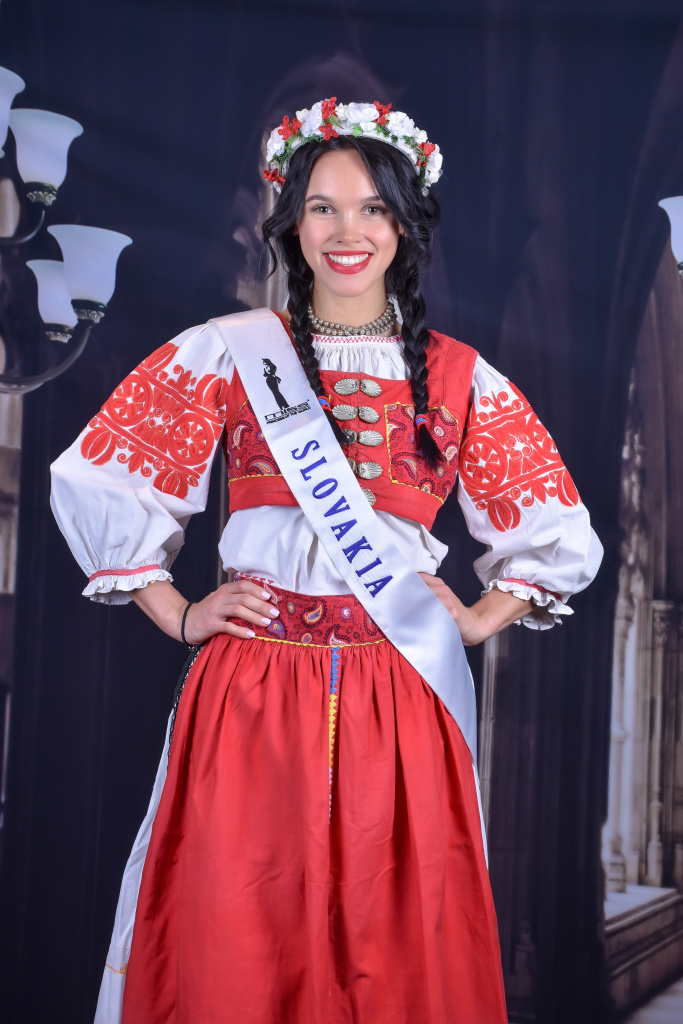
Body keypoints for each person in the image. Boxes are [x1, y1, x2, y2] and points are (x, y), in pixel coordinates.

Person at [51, 98, 602, 1024]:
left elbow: (555, 528)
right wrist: (179, 612)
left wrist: (477, 619)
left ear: (403, 224)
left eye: (371, 208)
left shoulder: (460, 376)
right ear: (292, 223)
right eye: (322, 208)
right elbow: (101, 478)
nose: (348, 232)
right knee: (234, 937)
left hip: (400, 689)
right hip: (253, 690)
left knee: (394, 952)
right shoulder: (229, 352)